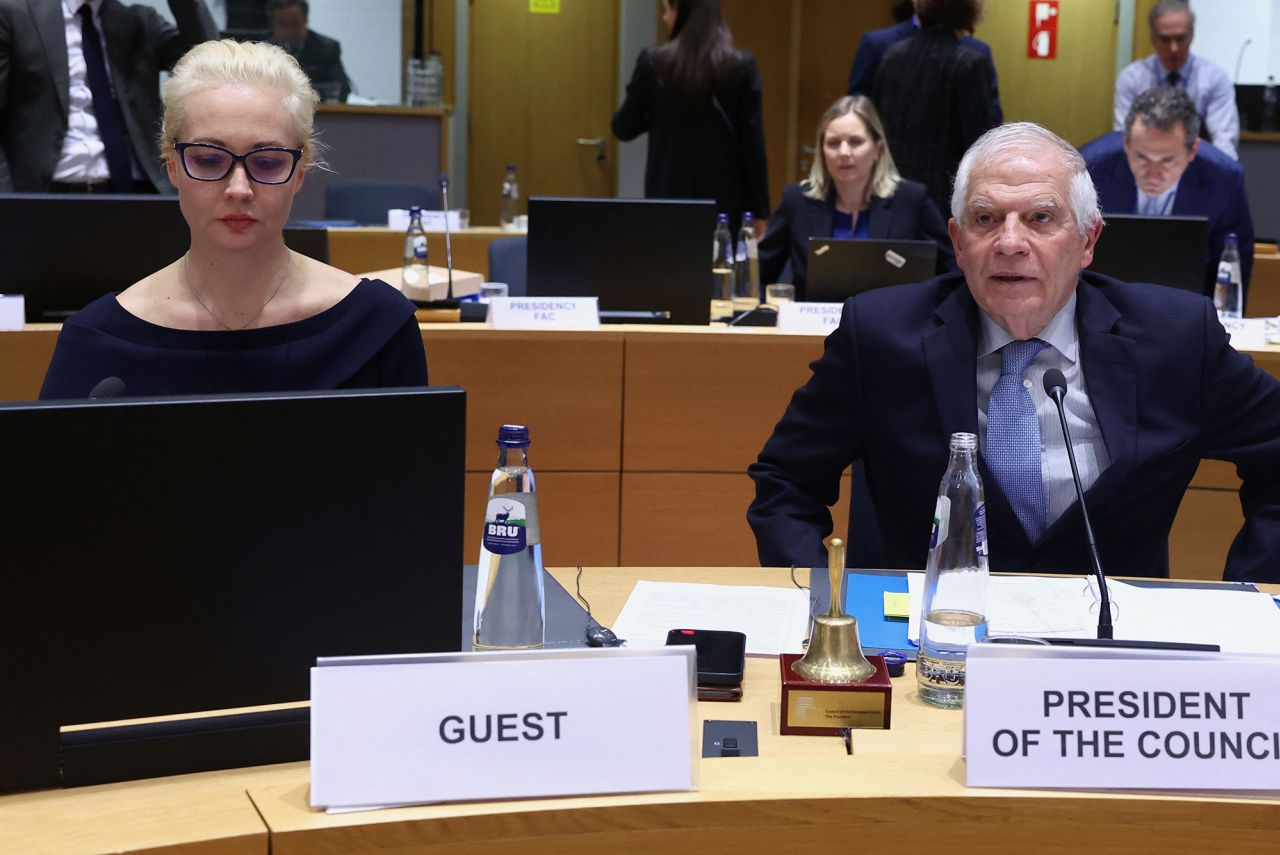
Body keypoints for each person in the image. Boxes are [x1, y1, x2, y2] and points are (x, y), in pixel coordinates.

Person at [748, 122, 1280, 584]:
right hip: (927, 643)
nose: (1009, 242)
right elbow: (786, 481)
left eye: (1041, 219)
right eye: (985, 219)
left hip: (1107, 655)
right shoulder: (881, 337)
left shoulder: (1175, 338)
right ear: (957, 243)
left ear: (1088, 240)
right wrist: (822, 604)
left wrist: (1249, 593)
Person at [39, 39, 428, 399]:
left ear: (300, 172)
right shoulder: (97, 339)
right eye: (209, 159)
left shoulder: (378, 328)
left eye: (268, 162)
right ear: (171, 165)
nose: (239, 189)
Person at [0, 0, 217, 193]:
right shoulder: (15, 16)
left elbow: (209, 65)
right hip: (45, 192)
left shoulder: (138, 21)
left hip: (136, 192)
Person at [757, 95, 954, 298]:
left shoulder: (911, 200)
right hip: (813, 326)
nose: (843, 152)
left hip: (892, 325)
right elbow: (758, 272)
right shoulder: (797, 201)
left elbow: (953, 271)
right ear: (822, 150)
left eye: (855, 142)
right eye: (833, 143)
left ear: (878, 148)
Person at [611, 0, 768, 234]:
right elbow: (753, 143)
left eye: (666, 9)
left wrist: (658, 114)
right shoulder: (742, 65)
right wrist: (761, 210)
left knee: (670, 266)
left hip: (667, 197)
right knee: (721, 267)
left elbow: (623, 128)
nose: (664, 17)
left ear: (681, 11)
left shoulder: (654, 61)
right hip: (727, 202)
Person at [1083, 85, 1254, 300]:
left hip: (1189, 305)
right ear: (1126, 144)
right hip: (1101, 300)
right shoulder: (1089, 168)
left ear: (1192, 151)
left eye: (1168, 160)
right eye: (1142, 157)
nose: (1153, 173)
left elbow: (1235, 261)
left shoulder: (1224, 178)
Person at [872, 0, 997, 217]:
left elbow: (876, 123)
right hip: (945, 197)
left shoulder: (892, 56)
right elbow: (980, 143)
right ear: (969, 14)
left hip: (892, 191)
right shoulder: (970, 63)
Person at [1113, 0, 1238, 160]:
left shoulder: (1214, 78)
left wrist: (1223, 176)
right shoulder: (1132, 78)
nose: (1174, 48)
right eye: (1165, 39)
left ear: (1192, 35)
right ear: (1152, 38)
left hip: (1199, 166)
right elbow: (1123, 137)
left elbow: (1224, 142)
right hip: (1144, 168)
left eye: (1180, 38)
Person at [846, 0, 1002, 124]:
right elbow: (859, 109)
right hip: (887, 157)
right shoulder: (878, 44)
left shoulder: (978, 52)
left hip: (954, 160)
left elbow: (990, 118)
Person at [265, 0, 351, 103]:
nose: (289, 30)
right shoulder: (266, 50)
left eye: (294, 23)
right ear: (273, 25)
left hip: (318, 110)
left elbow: (342, 88)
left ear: (305, 21)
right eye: (283, 24)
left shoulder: (326, 48)